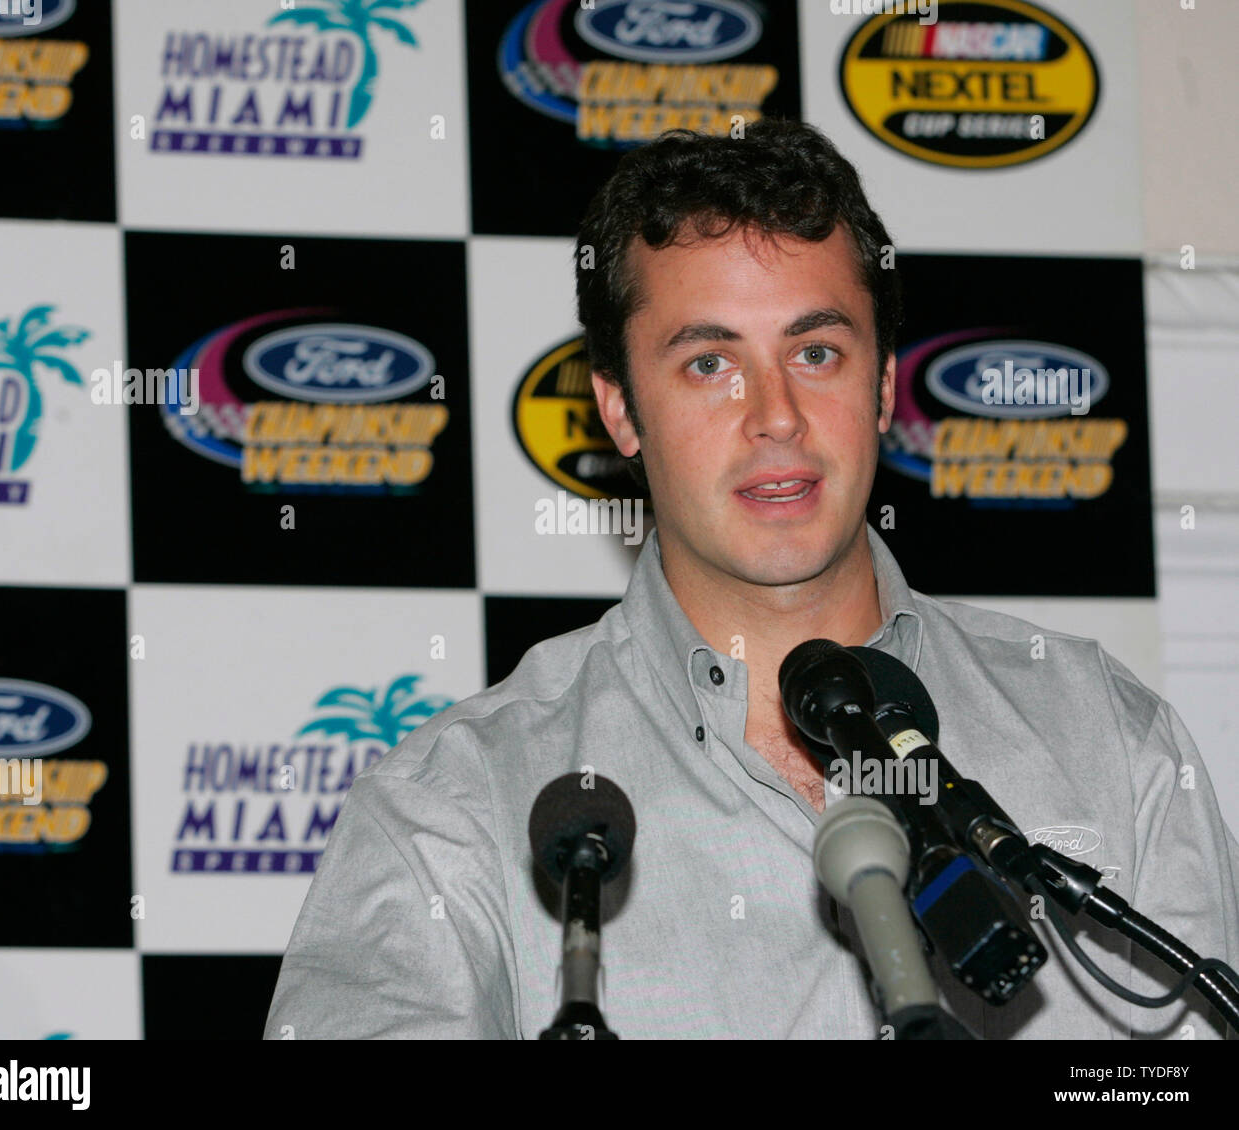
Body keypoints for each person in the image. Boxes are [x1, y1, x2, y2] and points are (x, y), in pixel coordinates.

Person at [264, 118, 1239, 1039]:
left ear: (887, 382)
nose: (774, 413)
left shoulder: (1107, 736)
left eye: (815, 351)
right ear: (618, 410)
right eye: (707, 364)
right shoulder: (456, 803)